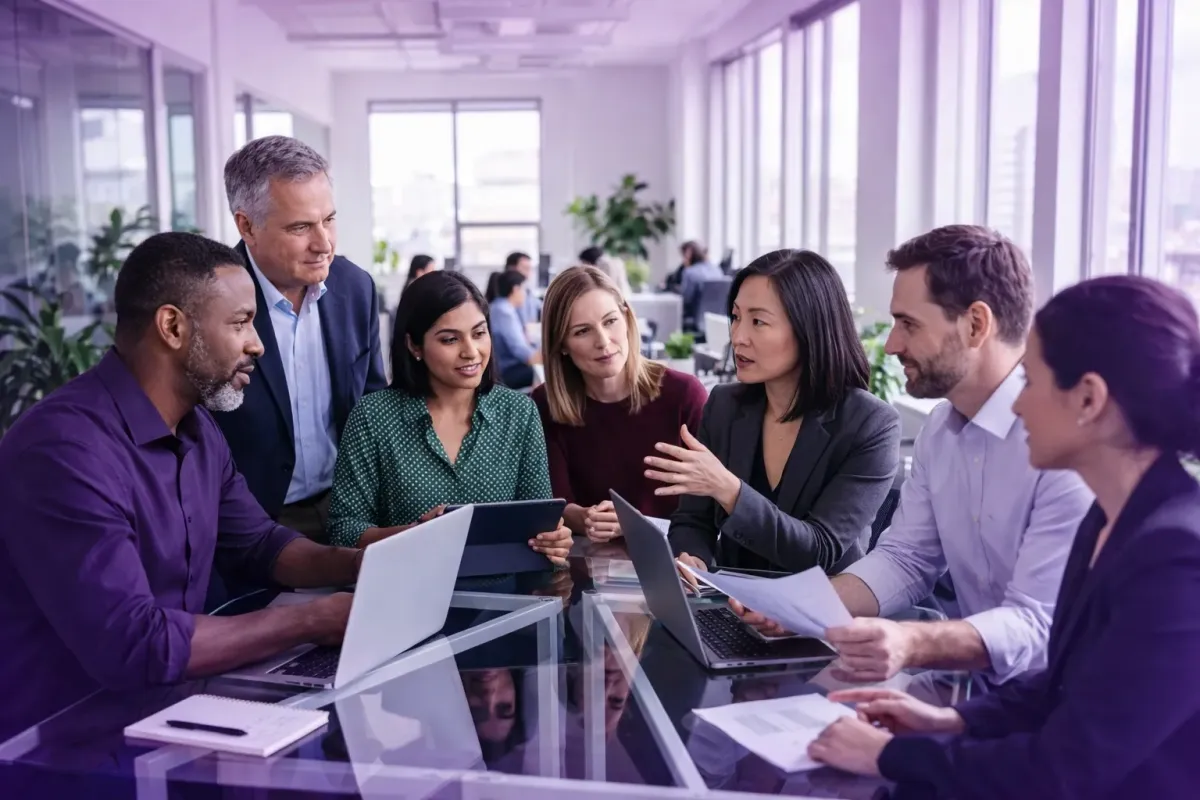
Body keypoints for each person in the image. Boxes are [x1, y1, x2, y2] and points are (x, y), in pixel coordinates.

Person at [808, 274, 1200, 799]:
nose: (1016, 405)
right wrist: (951, 723)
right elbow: (1063, 685)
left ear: (1088, 399)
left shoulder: (1177, 557)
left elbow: (1067, 767)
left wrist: (888, 755)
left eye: (1032, 384)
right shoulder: (1108, 520)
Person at [0, 233, 361, 741]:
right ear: (172, 326)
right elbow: (134, 645)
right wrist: (310, 621)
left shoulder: (197, 428)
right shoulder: (62, 450)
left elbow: (259, 544)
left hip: (170, 718)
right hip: (60, 748)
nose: (257, 343)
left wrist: (361, 564)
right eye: (240, 323)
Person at [734, 226, 1093, 685]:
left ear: (976, 325)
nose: (891, 345)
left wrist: (911, 643)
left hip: (1062, 704)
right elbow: (905, 560)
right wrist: (799, 608)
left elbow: (1038, 624)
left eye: (909, 324)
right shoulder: (940, 430)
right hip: (977, 689)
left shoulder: (1062, 448)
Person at [655, 250, 901, 574]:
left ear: (809, 329)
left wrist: (729, 490)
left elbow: (820, 550)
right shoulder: (725, 406)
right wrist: (693, 558)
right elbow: (692, 520)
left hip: (817, 617)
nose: (738, 337)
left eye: (758, 321)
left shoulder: (870, 424)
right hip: (733, 607)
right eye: (736, 317)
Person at [325, 270, 572, 564]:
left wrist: (554, 540)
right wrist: (418, 534)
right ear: (414, 346)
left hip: (509, 598)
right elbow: (344, 531)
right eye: (450, 339)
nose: (471, 352)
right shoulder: (374, 416)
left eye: (479, 333)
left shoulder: (519, 411)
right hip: (406, 591)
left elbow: (539, 519)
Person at [213, 135, 387, 540]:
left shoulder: (355, 287)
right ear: (246, 225)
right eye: (300, 227)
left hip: (349, 512)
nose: (323, 243)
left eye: (328, 219)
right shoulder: (211, 301)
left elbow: (374, 404)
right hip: (250, 523)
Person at [532, 266, 708, 541]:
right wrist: (586, 518)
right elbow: (554, 504)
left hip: (672, 562)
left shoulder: (684, 394)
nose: (603, 341)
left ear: (627, 318)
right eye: (582, 332)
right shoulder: (544, 404)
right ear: (562, 344)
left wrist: (634, 524)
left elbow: (709, 510)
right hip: (586, 566)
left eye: (610, 321)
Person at [489, 270, 541, 390]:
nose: (525, 295)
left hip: (508, 367)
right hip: (508, 372)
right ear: (515, 289)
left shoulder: (503, 307)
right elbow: (520, 350)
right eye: (524, 290)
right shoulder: (503, 311)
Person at [678, 240, 723, 324]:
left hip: (696, 319)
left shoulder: (689, 272)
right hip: (718, 320)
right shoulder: (717, 270)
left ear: (688, 255)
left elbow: (686, 300)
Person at [505, 250, 542, 326]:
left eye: (529, 269)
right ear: (511, 269)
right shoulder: (505, 297)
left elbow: (540, 306)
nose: (528, 273)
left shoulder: (528, 292)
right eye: (525, 268)